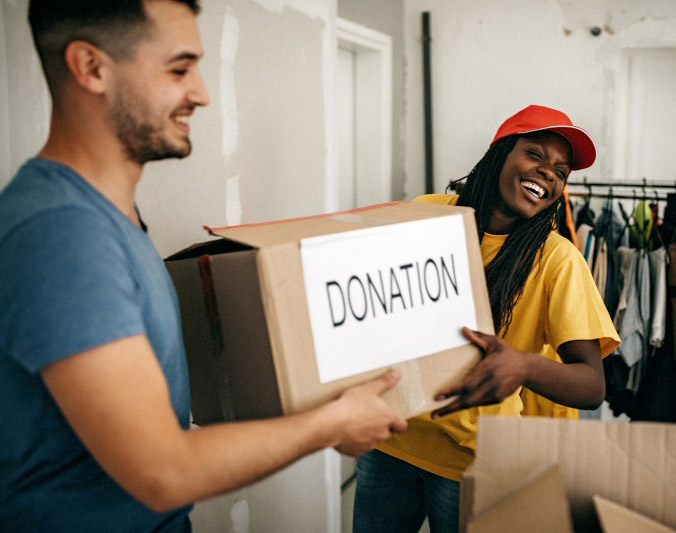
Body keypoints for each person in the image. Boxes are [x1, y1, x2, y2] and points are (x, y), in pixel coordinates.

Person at [0, 1, 407, 531]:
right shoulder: (63, 233)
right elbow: (163, 471)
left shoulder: (108, 215)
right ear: (91, 67)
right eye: (178, 69)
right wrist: (333, 423)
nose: (201, 93)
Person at [353, 105, 621, 532]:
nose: (549, 173)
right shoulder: (428, 214)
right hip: (389, 439)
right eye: (535, 155)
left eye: (561, 171)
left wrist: (524, 365)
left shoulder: (558, 261)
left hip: (474, 464)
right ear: (500, 152)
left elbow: (592, 385)